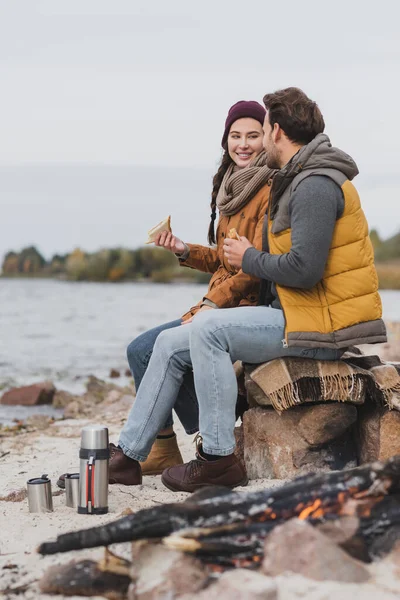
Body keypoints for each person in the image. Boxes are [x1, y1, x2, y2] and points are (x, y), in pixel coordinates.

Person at [119, 100, 275, 478]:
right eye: (235, 136)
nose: (243, 144)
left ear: (268, 139)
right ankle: (165, 447)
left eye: (252, 135)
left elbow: (253, 269)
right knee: (141, 348)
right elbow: (226, 260)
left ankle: (207, 436)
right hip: (220, 303)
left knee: (148, 349)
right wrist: (184, 250)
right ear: (226, 142)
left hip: (240, 306)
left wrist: (210, 302)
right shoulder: (232, 190)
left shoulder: (268, 189)